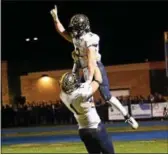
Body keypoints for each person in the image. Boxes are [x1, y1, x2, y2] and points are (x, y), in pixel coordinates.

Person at [50, 5, 139, 129]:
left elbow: (91, 61)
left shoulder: (90, 38)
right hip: (81, 66)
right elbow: (63, 32)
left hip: (95, 67)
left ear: (83, 27)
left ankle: (127, 116)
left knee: (106, 96)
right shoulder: (78, 38)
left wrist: (88, 79)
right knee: (81, 97)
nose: (74, 31)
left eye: (76, 28)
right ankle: (91, 122)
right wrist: (56, 19)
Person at [59, 72, 115, 153]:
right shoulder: (82, 93)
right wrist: (94, 64)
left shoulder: (62, 95)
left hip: (83, 131)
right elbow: (98, 79)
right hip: (95, 128)